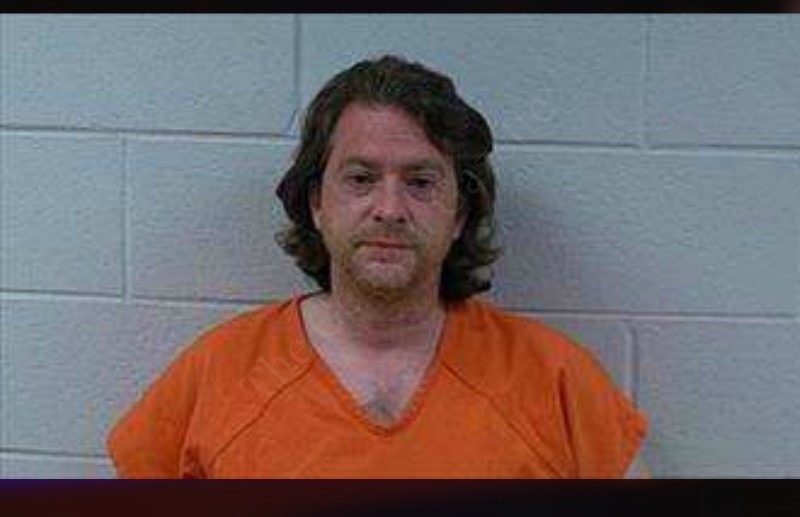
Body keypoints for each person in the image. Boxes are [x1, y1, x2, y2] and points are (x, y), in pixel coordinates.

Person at [106, 54, 648, 478]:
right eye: (361, 179)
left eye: (420, 182)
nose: (389, 209)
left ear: (459, 213)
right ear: (317, 203)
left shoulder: (554, 379)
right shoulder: (220, 372)